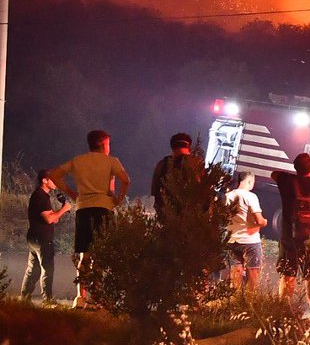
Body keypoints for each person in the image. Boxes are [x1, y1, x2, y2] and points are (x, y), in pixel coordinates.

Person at [50, 130, 131, 309]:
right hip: (104, 207)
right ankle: (97, 297)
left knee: (84, 254)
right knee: (101, 255)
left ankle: (80, 297)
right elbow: (126, 180)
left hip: (84, 208)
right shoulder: (112, 161)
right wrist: (118, 198)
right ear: (103, 144)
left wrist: (71, 193)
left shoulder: (78, 160)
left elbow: (54, 174)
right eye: (108, 144)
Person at [272, 152, 310, 318]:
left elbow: (274, 174)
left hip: (289, 236)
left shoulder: (286, 181)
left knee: (288, 274)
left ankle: (283, 310)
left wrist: (299, 173)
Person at [20, 169, 72, 302]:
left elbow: (53, 218)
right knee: (47, 269)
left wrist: (59, 212)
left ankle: (24, 299)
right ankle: (47, 300)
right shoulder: (40, 196)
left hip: (35, 237)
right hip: (42, 238)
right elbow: (49, 219)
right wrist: (64, 209)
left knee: (33, 270)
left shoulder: (42, 196)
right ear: (44, 180)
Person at [225, 170, 267, 291]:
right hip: (250, 241)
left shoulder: (228, 196)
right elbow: (259, 220)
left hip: (232, 240)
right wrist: (265, 222)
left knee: (235, 273)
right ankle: (248, 304)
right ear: (249, 181)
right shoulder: (251, 196)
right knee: (253, 274)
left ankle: (235, 301)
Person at [150, 132, 204, 218]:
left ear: (172, 148)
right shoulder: (195, 163)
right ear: (188, 147)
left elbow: (154, 191)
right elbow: (204, 190)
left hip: (166, 217)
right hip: (192, 220)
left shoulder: (162, 164)